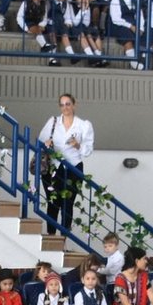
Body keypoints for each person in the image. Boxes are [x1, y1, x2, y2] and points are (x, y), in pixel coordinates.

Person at [38, 94, 94, 236]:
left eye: (68, 104)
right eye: (62, 105)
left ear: (74, 105)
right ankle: (51, 236)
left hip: (73, 167)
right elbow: (40, 140)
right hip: (53, 166)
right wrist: (46, 144)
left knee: (67, 203)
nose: (65, 108)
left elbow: (88, 150)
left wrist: (77, 145)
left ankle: (63, 239)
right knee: (52, 201)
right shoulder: (53, 122)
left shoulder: (83, 125)